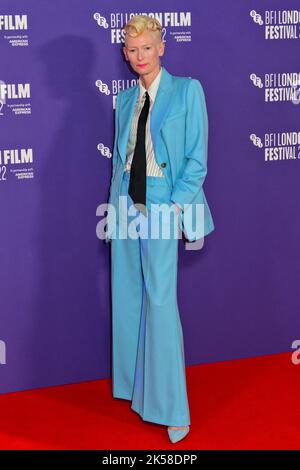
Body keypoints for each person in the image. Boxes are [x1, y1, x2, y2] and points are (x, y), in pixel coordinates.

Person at [105, 14, 215, 444]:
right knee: (128, 296)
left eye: (146, 48)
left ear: (162, 48)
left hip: (164, 203)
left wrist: (172, 206)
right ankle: (137, 391)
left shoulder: (188, 91)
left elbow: (196, 161)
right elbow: (121, 161)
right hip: (125, 205)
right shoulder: (125, 100)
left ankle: (173, 408)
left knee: (161, 302)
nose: (139, 57)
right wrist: (115, 214)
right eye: (131, 50)